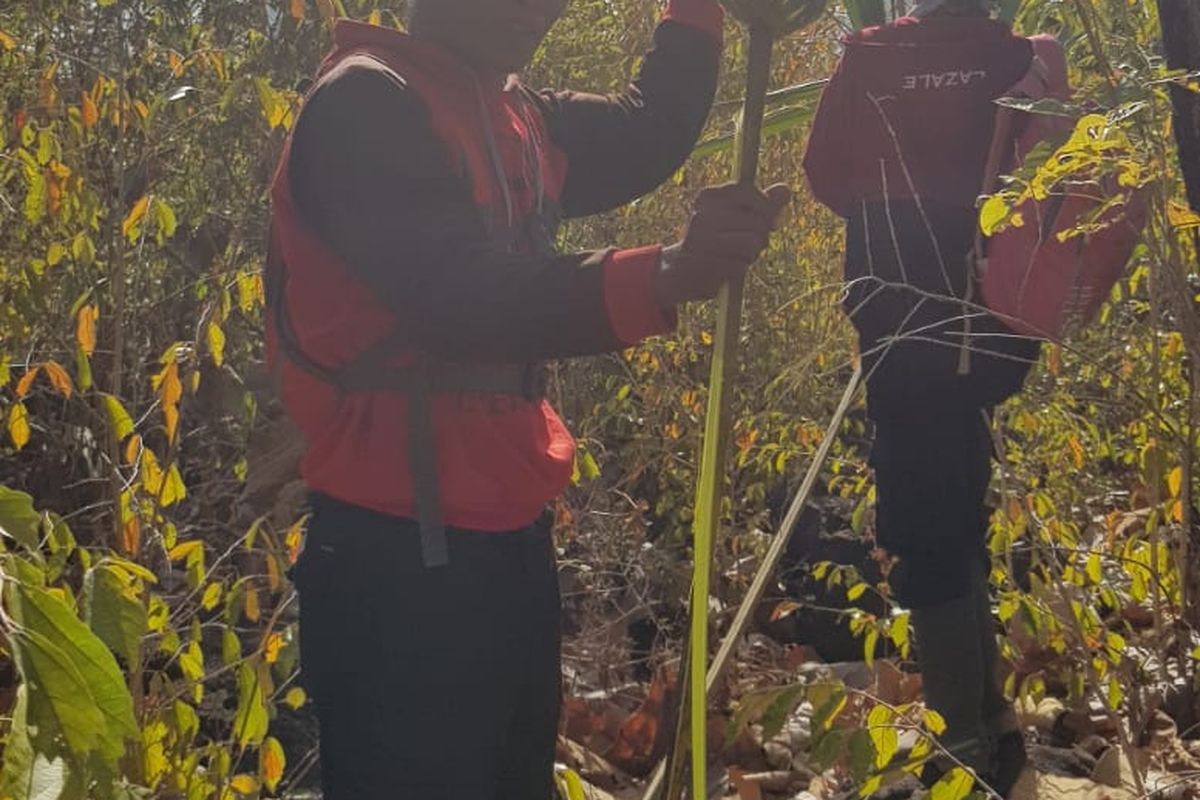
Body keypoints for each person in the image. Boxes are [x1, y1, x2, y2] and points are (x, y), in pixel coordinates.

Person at [267, 0, 790, 796]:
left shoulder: (513, 114)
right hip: (394, 555)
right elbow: (454, 298)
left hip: (508, 537)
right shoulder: (366, 104)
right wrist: (662, 275)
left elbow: (648, 131)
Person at [804, 0, 1060, 795]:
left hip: (899, 309)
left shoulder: (871, 56)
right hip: (992, 312)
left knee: (923, 521)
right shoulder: (1016, 56)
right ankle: (992, 727)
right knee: (955, 498)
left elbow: (826, 174)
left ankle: (965, 755)